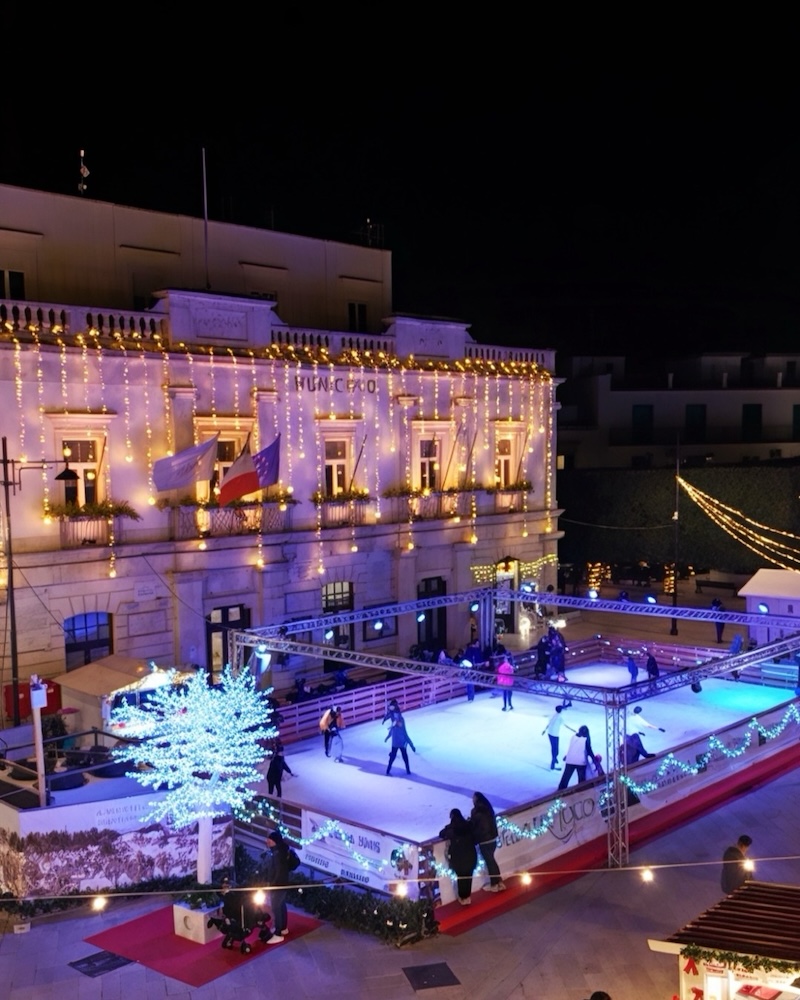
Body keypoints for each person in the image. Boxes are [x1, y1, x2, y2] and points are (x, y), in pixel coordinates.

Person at [439, 807, 477, 905]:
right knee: (468, 877)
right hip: (470, 856)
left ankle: (463, 897)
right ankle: (467, 896)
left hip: (459, 858)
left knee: (461, 878)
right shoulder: (468, 825)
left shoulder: (451, 829)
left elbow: (441, 834)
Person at [261, 829, 293, 941]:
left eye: (269, 841)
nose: (267, 842)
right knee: (281, 906)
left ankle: (278, 933)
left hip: (278, 885)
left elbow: (279, 871)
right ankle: (283, 928)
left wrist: (273, 884)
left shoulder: (277, 854)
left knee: (276, 907)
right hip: (282, 884)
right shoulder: (280, 851)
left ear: (275, 841)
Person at [470, 791, 506, 892]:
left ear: (476, 799)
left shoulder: (476, 812)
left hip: (484, 841)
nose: (472, 800)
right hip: (492, 839)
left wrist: (475, 837)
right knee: (492, 861)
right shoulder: (489, 809)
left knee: (490, 862)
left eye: (473, 798)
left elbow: (476, 827)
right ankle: (499, 882)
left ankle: (495, 884)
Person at [543, 704, 575, 770]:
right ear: (560, 710)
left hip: (550, 733)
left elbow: (549, 723)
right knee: (555, 750)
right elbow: (565, 725)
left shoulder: (554, 715)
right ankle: (553, 765)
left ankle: (554, 760)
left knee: (554, 749)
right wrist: (573, 730)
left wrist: (545, 730)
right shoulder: (560, 717)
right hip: (555, 734)